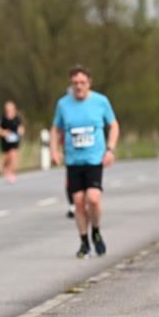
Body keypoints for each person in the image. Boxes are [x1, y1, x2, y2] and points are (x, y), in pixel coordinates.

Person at [50, 65, 119, 259]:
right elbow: (56, 129)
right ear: (70, 85)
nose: (78, 87)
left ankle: (96, 231)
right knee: (79, 203)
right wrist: (54, 151)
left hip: (94, 158)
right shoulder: (63, 104)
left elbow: (113, 125)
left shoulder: (101, 101)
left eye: (82, 83)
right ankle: (84, 243)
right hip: (73, 161)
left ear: (89, 83)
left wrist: (110, 149)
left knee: (93, 199)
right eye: (74, 84)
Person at [0, 100, 24, 183]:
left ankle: (11, 173)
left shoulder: (17, 118)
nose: (9, 111)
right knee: (6, 158)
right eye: (7, 109)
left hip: (14, 141)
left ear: (14, 109)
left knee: (13, 155)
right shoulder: (2, 118)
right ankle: (5, 168)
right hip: (5, 141)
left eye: (11, 109)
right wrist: (3, 132)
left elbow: (21, 128)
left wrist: (21, 131)